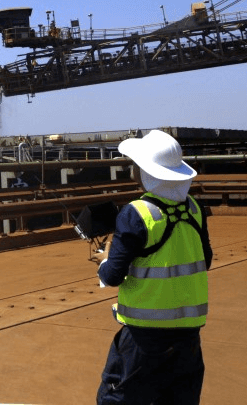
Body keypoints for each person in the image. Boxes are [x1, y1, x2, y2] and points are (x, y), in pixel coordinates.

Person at [95, 130, 212, 405]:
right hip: (188, 335)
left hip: (143, 337)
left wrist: (104, 262)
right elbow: (204, 260)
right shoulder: (195, 209)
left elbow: (113, 275)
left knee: (117, 398)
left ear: (147, 173)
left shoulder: (137, 213)